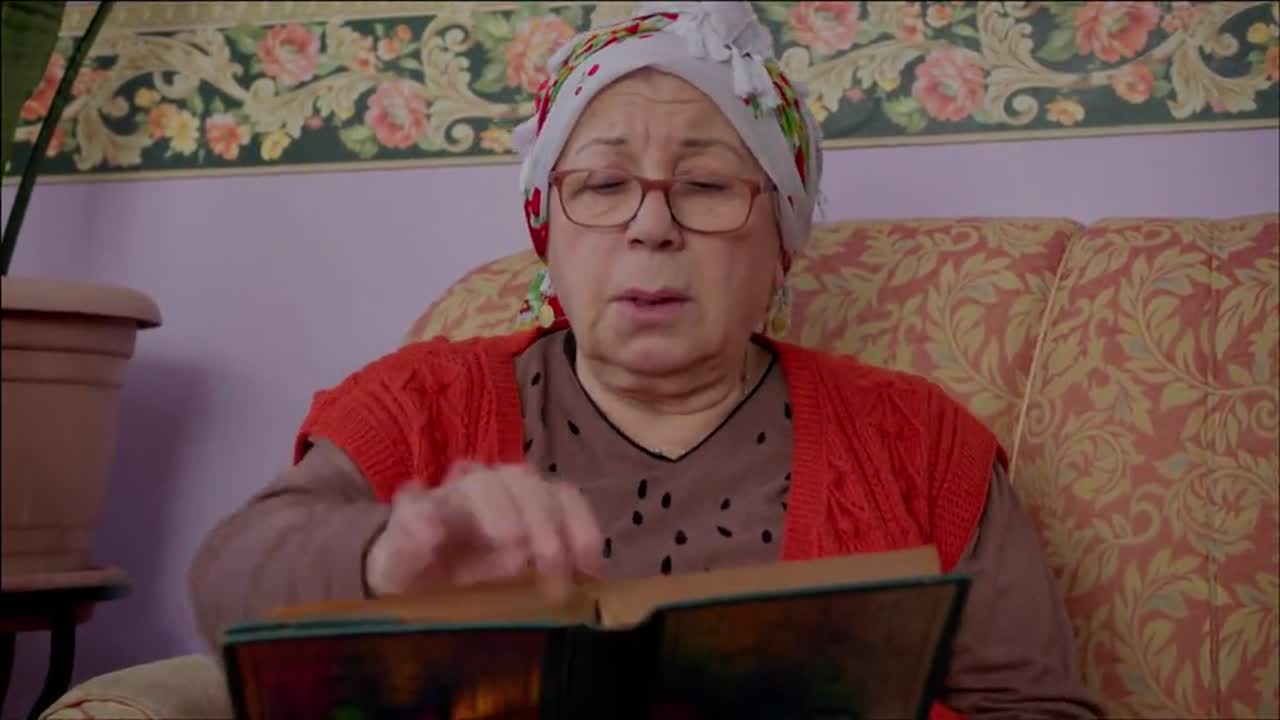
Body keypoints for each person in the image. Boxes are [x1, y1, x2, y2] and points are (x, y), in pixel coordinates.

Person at [189, 2, 1102, 718]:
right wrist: (388, 555)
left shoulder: (917, 441)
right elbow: (229, 581)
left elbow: (1036, 706)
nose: (652, 225)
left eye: (704, 186)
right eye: (603, 185)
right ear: (549, 236)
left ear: (781, 245)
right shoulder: (422, 402)